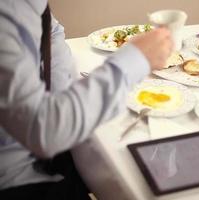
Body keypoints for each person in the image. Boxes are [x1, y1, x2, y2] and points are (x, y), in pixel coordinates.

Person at [0, 0, 173, 199]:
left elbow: (50, 31)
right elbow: (43, 130)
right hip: (16, 179)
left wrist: (64, 101)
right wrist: (135, 59)